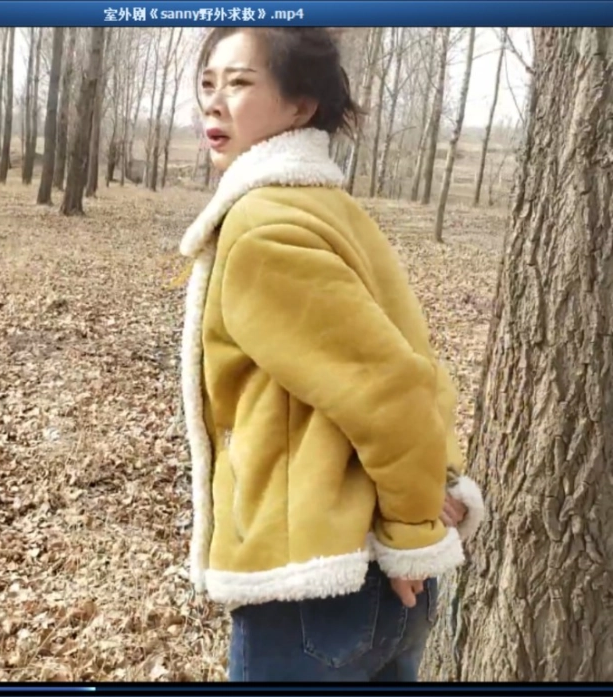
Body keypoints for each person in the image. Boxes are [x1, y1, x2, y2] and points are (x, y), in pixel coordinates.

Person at [178, 27, 486, 682]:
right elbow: (413, 367)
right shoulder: (331, 209)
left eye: (240, 82)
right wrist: (431, 495)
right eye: (208, 83)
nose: (214, 102)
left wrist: (412, 534)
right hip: (379, 577)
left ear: (300, 105)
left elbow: (387, 387)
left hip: (317, 586)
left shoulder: (263, 228)